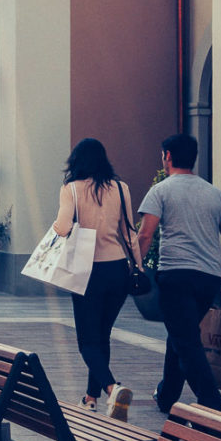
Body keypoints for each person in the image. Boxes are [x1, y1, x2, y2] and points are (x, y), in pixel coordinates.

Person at [134, 133, 221, 416]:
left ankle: (215, 408)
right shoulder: (215, 193)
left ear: (167, 156)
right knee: (181, 334)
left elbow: (146, 235)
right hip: (207, 280)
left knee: (187, 343)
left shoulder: (161, 191)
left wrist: (133, 268)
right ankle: (167, 395)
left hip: (175, 277)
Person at [54, 138, 139, 415]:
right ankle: (91, 399)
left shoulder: (71, 189)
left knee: (87, 341)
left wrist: (56, 227)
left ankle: (112, 389)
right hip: (117, 269)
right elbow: (130, 232)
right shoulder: (120, 187)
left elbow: (64, 226)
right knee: (102, 335)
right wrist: (138, 264)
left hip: (86, 270)